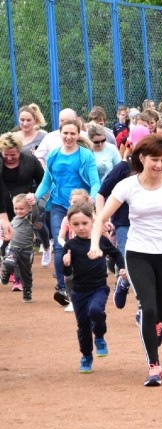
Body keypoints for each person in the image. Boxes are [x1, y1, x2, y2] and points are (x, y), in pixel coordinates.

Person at [90, 134, 162, 387]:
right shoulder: (127, 186)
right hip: (138, 252)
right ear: (142, 158)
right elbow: (100, 217)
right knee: (149, 308)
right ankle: (154, 366)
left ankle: (153, 322)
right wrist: (95, 244)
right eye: (154, 160)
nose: (159, 165)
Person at [32, 119, 100, 301]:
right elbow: (47, 181)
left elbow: (95, 182)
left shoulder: (85, 155)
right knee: (60, 244)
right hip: (59, 205)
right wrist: (35, 197)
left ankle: (87, 283)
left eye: (72, 133)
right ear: (60, 134)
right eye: (65, 133)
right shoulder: (53, 155)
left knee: (84, 245)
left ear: (78, 135)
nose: (69, 137)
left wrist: (92, 198)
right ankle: (63, 288)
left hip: (81, 209)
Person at [60, 202, 125, 373]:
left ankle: (100, 336)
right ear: (69, 225)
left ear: (92, 222)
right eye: (76, 224)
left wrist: (122, 267)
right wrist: (66, 264)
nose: (81, 228)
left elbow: (116, 253)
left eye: (84, 223)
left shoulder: (100, 241)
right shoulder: (70, 246)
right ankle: (86, 357)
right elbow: (67, 272)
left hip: (99, 288)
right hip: (79, 291)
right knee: (82, 326)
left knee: (96, 311)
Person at [0, 132, 46, 263]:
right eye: (6, 154)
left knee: (18, 239)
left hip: (22, 209)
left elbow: (44, 181)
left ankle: (19, 269)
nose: (9, 158)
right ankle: (8, 264)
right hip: (2, 206)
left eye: (13, 155)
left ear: (19, 151)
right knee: (4, 239)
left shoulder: (31, 161)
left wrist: (35, 196)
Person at [0, 194, 40, 302]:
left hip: (26, 251)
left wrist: (34, 203)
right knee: (8, 262)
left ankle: (27, 291)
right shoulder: (13, 220)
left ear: (29, 209)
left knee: (25, 273)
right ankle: (6, 273)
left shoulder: (30, 218)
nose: (18, 211)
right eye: (16, 208)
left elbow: (36, 214)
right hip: (13, 248)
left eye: (21, 209)